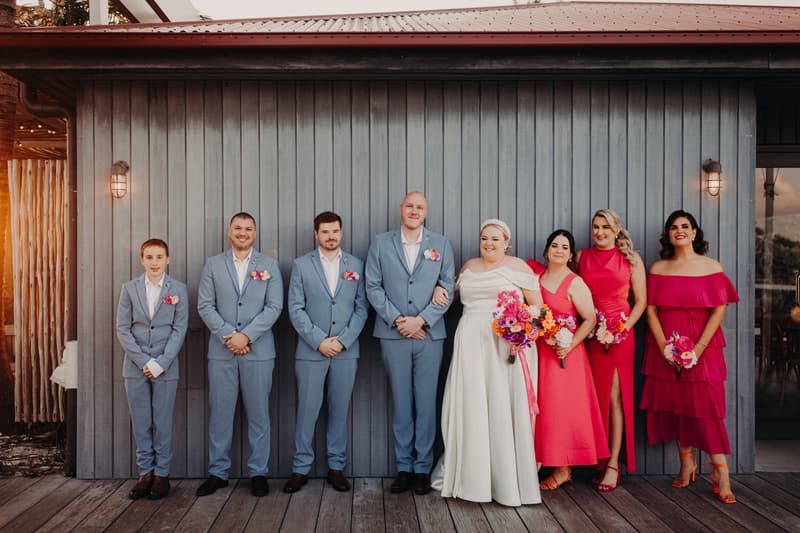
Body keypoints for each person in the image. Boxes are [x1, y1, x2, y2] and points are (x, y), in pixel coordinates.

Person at [431, 219, 542, 506]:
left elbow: (538, 309)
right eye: (484, 238)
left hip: (504, 345)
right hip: (470, 344)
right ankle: (472, 475)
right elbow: (449, 299)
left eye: (495, 239)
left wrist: (521, 328)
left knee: (501, 405)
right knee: (472, 405)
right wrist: (436, 291)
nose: (489, 243)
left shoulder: (518, 267)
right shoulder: (468, 267)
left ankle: (505, 479)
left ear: (507, 242)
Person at [640, 210, 739, 504]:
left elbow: (719, 309)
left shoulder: (711, 266)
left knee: (707, 408)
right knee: (676, 405)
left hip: (703, 346)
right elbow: (651, 310)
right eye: (674, 227)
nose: (679, 230)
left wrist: (698, 348)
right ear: (668, 234)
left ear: (695, 232)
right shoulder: (659, 268)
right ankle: (687, 463)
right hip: (665, 344)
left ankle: (721, 472)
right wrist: (663, 347)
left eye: (685, 226)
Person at [365, 191, 455, 495]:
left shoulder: (441, 244)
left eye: (420, 207)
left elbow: (448, 287)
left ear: (426, 212)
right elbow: (372, 286)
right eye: (409, 206)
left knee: (426, 403)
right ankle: (404, 466)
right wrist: (400, 321)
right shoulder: (381, 243)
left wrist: (422, 321)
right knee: (402, 402)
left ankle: (422, 469)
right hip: (393, 334)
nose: (414, 211)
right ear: (400, 209)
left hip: (429, 336)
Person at [196, 212, 283, 497]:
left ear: (254, 233)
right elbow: (205, 305)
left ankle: (258, 472)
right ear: (229, 231)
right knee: (220, 414)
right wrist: (229, 336)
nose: (243, 232)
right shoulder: (213, 265)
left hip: (259, 353)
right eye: (238, 228)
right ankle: (218, 472)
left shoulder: (269, 265)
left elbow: (274, 307)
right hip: (222, 354)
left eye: (248, 228)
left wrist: (246, 336)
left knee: (259, 414)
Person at [283, 211, 368, 494]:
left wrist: (343, 341)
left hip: (346, 351)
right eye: (325, 232)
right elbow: (295, 308)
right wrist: (319, 341)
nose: (331, 237)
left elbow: (361, 308)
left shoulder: (356, 264)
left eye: (336, 231)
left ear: (341, 233)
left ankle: (336, 467)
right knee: (307, 411)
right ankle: (300, 468)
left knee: (339, 410)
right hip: (311, 351)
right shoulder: (301, 265)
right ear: (316, 234)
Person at [531, 229, 609, 490]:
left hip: (565, 356)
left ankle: (564, 469)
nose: (559, 250)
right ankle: (542, 461)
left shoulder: (574, 282)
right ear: (546, 250)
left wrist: (570, 344)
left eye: (565, 247)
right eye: (555, 245)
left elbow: (590, 319)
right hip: (540, 351)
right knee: (542, 408)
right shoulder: (537, 277)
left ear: (570, 254)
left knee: (560, 411)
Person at [576, 209, 646, 492]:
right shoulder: (581, 257)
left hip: (620, 335)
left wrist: (623, 328)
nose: (600, 232)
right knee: (596, 398)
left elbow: (641, 301)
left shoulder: (631, 259)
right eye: (595, 227)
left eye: (605, 227)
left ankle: (614, 463)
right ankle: (599, 459)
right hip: (592, 335)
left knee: (616, 399)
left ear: (616, 229)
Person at [116, 238, 188, 500]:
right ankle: (145, 473)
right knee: (142, 422)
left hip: (165, 367)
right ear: (142, 260)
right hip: (135, 367)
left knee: (163, 422)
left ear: (167, 259)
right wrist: (143, 361)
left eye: (160, 257)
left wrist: (160, 363)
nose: (155, 262)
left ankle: (162, 475)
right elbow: (122, 328)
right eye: (149, 257)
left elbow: (179, 329)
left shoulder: (178, 289)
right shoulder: (130, 289)